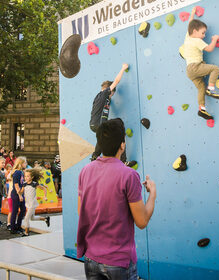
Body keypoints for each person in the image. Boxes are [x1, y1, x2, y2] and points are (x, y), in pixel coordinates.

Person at [77, 119, 156, 279]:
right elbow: (141, 221)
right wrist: (152, 193)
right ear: (122, 145)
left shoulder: (85, 171)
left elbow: (81, 211)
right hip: (118, 261)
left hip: (91, 258)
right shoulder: (129, 175)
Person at [179, 9, 219, 121]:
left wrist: (192, 13)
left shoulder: (188, 37)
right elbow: (209, 49)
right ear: (194, 31)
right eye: (203, 33)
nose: (203, 36)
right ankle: (211, 88)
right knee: (215, 69)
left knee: (201, 88)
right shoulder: (196, 40)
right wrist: (214, 39)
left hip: (189, 71)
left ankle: (202, 108)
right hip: (195, 67)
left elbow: (190, 22)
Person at [89, 63, 129, 161]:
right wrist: (123, 68)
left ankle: (95, 156)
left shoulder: (100, 98)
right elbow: (116, 81)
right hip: (99, 124)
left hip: (95, 125)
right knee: (119, 126)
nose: (111, 97)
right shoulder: (103, 95)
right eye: (112, 94)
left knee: (102, 138)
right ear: (109, 90)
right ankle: (123, 160)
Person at [22, 168, 50, 236]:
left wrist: (45, 196)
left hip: (32, 203)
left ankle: (26, 232)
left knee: (26, 219)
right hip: (28, 203)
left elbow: (43, 188)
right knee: (32, 218)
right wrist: (18, 194)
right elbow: (21, 192)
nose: (26, 178)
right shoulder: (24, 184)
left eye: (28, 176)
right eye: (25, 176)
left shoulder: (34, 184)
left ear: (32, 177)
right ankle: (45, 219)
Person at [9, 157, 27, 234]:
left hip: (20, 193)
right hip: (16, 194)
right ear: (21, 163)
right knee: (15, 211)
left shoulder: (21, 172)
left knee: (23, 210)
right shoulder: (17, 172)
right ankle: (13, 228)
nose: (26, 164)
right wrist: (19, 195)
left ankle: (18, 226)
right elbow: (16, 185)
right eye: (25, 163)